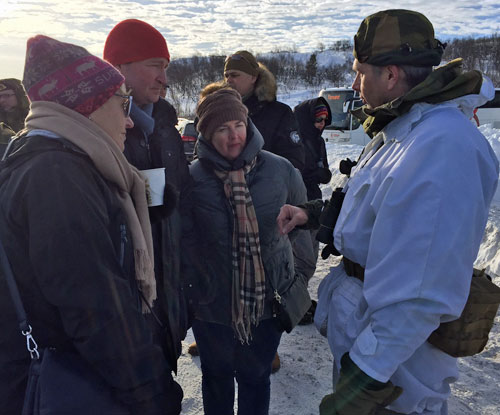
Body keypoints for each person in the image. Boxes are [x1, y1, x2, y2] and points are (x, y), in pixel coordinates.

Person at [277, 9, 499, 415]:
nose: (354, 83)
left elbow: (419, 292)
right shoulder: (404, 128)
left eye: (361, 72)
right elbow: (378, 209)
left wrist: (362, 382)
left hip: (395, 374)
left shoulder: (442, 147)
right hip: (370, 344)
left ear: (391, 75)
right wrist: (314, 213)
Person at [0, 35, 182, 414]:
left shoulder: (50, 159)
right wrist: (153, 392)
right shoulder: (57, 176)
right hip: (68, 384)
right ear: (89, 105)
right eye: (122, 103)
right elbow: (96, 309)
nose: (130, 120)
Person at [182, 88, 311, 415]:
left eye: (238, 124)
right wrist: (193, 291)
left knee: (256, 378)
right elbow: (182, 243)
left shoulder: (280, 170)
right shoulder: (192, 179)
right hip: (212, 308)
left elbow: (304, 231)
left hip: (267, 304)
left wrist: (295, 280)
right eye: (222, 129)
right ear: (207, 135)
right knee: (216, 379)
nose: (234, 135)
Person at [104, 19, 193, 372]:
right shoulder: (98, 135)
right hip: (124, 318)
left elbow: (181, 210)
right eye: (154, 65)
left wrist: (186, 295)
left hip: (167, 305)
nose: (164, 79)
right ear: (118, 68)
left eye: (166, 68)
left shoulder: (167, 129)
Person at [224, 50, 304, 171]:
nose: (229, 80)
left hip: (266, 187)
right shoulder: (217, 112)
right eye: (226, 75)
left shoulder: (279, 113)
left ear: (253, 77)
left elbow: (294, 162)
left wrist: (256, 178)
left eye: (234, 75)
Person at [294, 97, 332, 202]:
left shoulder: (319, 141)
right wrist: (312, 175)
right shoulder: (294, 140)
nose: (322, 123)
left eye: (325, 119)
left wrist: (325, 174)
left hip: (314, 198)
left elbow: (323, 165)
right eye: (318, 119)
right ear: (307, 119)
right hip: (296, 199)